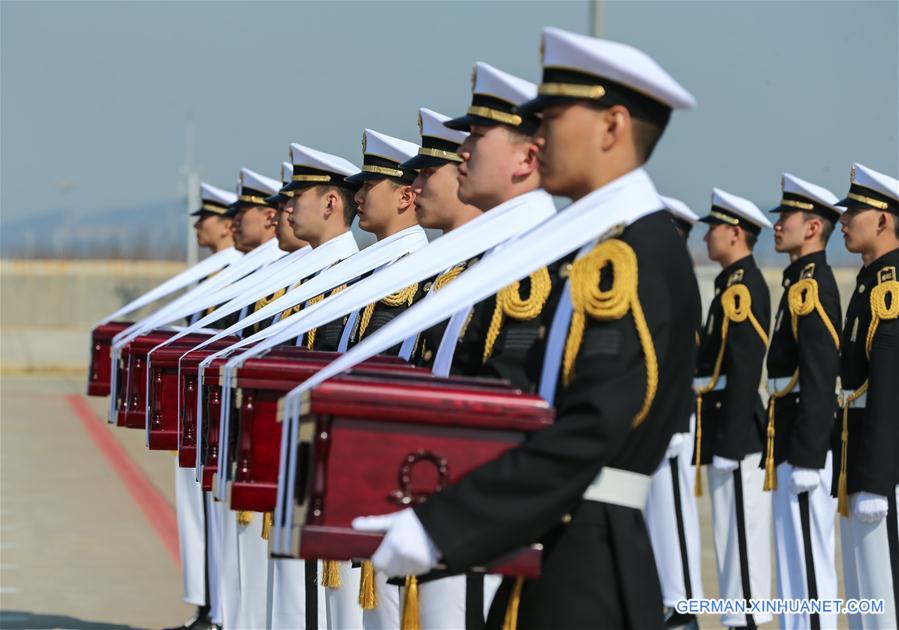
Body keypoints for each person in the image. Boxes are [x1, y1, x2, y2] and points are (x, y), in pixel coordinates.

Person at [354, 27, 699, 629]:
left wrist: (443, 524)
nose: (539, 136)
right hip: (563, 548)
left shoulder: (628, 256)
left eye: (553, 117)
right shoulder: (603, 248)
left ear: (612, 128)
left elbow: (590, 428)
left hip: (590, 571)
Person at [765, 173, 843, 630]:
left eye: (787, 217)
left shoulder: (811, 286)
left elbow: (819, 375)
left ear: (813, 228)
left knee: (811, 575)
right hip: (792, 441)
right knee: (794, 571)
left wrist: (810, 456)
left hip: (805, 447)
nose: (778, 225)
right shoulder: (797, 282)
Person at [695, 187, 773, 628]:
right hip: (727, 430)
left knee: (742, 547)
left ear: (736, 233)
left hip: (738, 435)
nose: (707, 237)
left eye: (714, 229)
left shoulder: (743, 288)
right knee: (729, 540)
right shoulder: (729, 284)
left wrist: (728, 439)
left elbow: (744, 368)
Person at [166, 181, 238, 630]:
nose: (199, 226)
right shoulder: (216, 275)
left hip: (224, 418)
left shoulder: (239, 275)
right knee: (204, 516)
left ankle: (218, 613)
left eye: (205, 218)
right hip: (203, 413)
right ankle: (209, 609)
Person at [834, 163, 899, 629]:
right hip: (856, 458)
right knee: (862, 599)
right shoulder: (868, 283)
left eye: (854, 210)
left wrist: (876, 480)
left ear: (883, 220)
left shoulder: (890, 288)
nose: (843, 219)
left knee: (884, 596)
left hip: (883, 469)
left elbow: (890, 388)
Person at [643, 196, 703, 629]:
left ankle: (684, 612)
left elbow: (681, 358)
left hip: (672, 425)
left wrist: (678, 422)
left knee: (675, 528)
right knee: (657, 527)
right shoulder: (659, 280)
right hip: (653, 424)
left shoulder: (675, 281)